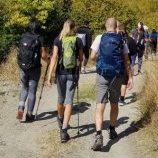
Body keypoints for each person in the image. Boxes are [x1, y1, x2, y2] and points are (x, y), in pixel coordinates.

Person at [90, 18, 133, 151]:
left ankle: (98, 135)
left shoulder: (99, 37)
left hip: (102, 74)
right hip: (117, 76)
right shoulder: (121, 39)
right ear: (116, 28)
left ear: (105, 26)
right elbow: (126, 60)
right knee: (114, 104)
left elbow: (92, 57)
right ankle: (112, 130)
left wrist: (100, 60)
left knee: (100, 105)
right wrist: (130, 77)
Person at [46, 19, 84, 143]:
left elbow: (54, 58)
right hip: (72, 74)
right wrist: (78, 65)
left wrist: (49, 76)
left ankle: (60, 117)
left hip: (60, 73)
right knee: (69, 101)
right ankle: (64, 130)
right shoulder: (77, 40)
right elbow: (81, 58)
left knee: (60, 98)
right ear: (74, 28)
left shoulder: (58, 40)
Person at [16, 19, 48, 122]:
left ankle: (20, 108)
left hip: (23, 67)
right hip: (34, 68)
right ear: (38, 27)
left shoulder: (23, 36)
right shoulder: (40, 37)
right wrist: (49, 60)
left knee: (24, 88)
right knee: (32, 91)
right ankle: (29, 115)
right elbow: (43, 55)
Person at [118, 23, 136, 106]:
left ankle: (116, 96)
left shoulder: (115, 38)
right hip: (126, 62)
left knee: (117, 80)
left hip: (116, 62)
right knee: (124, 82)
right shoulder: (130, 40)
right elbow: (133, 53)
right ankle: (121, 99)